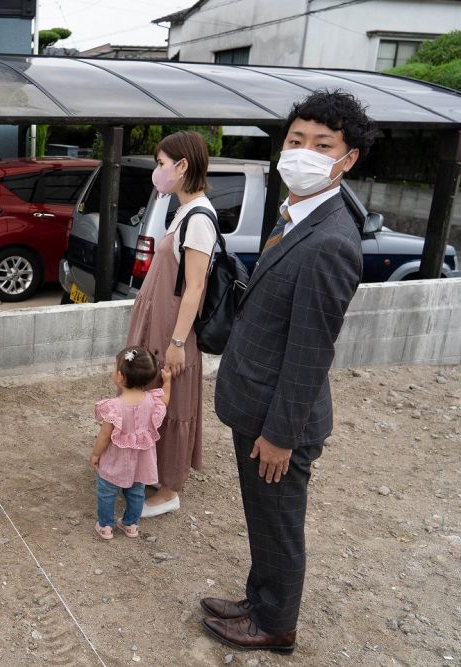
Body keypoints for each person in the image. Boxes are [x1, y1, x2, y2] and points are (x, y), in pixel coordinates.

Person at [203, 90, 372, 654]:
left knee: (278, 523)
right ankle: (259, 599)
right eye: (296, 140)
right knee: (262, 514)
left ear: (347, 159)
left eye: (322, 145)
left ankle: (277, 626)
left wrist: (279, 435)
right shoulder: (299, 212)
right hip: (256, 399)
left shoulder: (329, 240)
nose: (303, 152)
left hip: (279, 418)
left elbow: (310, 350)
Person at [126, 131, 217, 518]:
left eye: (162, 164)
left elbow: (195, 287)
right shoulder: (184, 210)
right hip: (160, 323)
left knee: (171, 400)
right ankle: (151, 472)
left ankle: (168, 489)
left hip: (172, 328)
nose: (158, 172)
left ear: (182, 166)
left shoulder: (199, 217)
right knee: (153, 398)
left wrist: (178, 341)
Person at [90, 346, 171, 541]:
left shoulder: (113, 407)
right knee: (136, 492)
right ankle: (131, 524)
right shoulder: (152, 401)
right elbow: (165, 400)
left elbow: (104, 436)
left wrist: (95, 454)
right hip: (141, 462)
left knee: (107, 492)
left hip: (115, 461)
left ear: (119, 376)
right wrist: (168, 382)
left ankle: (106, 527)